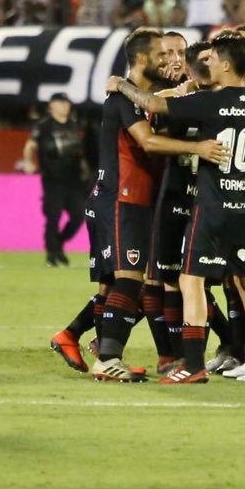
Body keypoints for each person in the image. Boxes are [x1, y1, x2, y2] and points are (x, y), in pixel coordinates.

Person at [107, 34, 245, 385]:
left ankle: (192, 364)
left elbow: (155, 104)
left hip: (213, 207)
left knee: (189, 279)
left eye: (212, 59)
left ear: (225, 64)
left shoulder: (210, 102)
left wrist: (120, 85)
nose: (206, 64)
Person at [91, 27, 228, 382]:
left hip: (142, 199)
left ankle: (107, 352)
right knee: (127, 280)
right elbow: (148, 142)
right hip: (123, 198)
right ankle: (107, 358)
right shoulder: (123, 99)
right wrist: (197, 148)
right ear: (141, 58)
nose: (169, 60)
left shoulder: (146, 96)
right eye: (161, 54)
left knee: (132, 283)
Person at [22, 93, 88, 267]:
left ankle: (59, 242)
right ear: (51, 106)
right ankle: (52, 254)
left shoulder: (74, 124)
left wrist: (84, 168)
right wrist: (29, 161)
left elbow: (80, 151)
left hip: (74, 180)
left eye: (67, 102)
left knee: (79, 215)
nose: (65, 106)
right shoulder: (44, 126)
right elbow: (31, 145)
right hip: (53, 180)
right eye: (61, 102)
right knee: (54, 216)